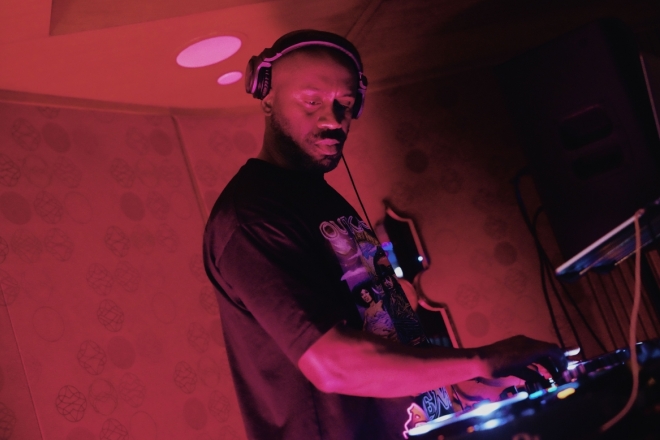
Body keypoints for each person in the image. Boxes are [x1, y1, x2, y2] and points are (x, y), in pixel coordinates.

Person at [203, 29, 566, 440]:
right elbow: (331, 364)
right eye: (312, 101)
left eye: (345, 104)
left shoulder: (320, 199)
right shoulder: (252, 216)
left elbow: (383, 331)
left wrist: (467, 382)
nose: (332, 119)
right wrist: (484, 359)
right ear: (266, 96)